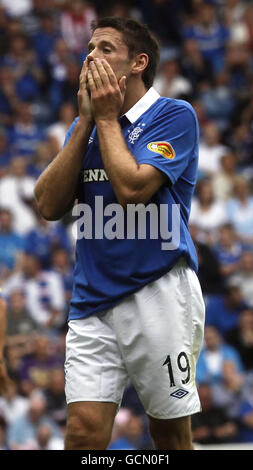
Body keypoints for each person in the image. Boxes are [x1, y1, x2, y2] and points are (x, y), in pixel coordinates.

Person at [35, 17, 205, 450]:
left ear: (138, 63)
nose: (90, 55)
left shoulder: (173, 115)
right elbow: (48, 205)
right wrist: (85, 124)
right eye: (89, 47)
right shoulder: (86, 127)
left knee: (168, 434)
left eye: (106, 48)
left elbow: (132, 189)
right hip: (92, 297)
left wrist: (106, 119)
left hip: (158, 291)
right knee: (82, 433)